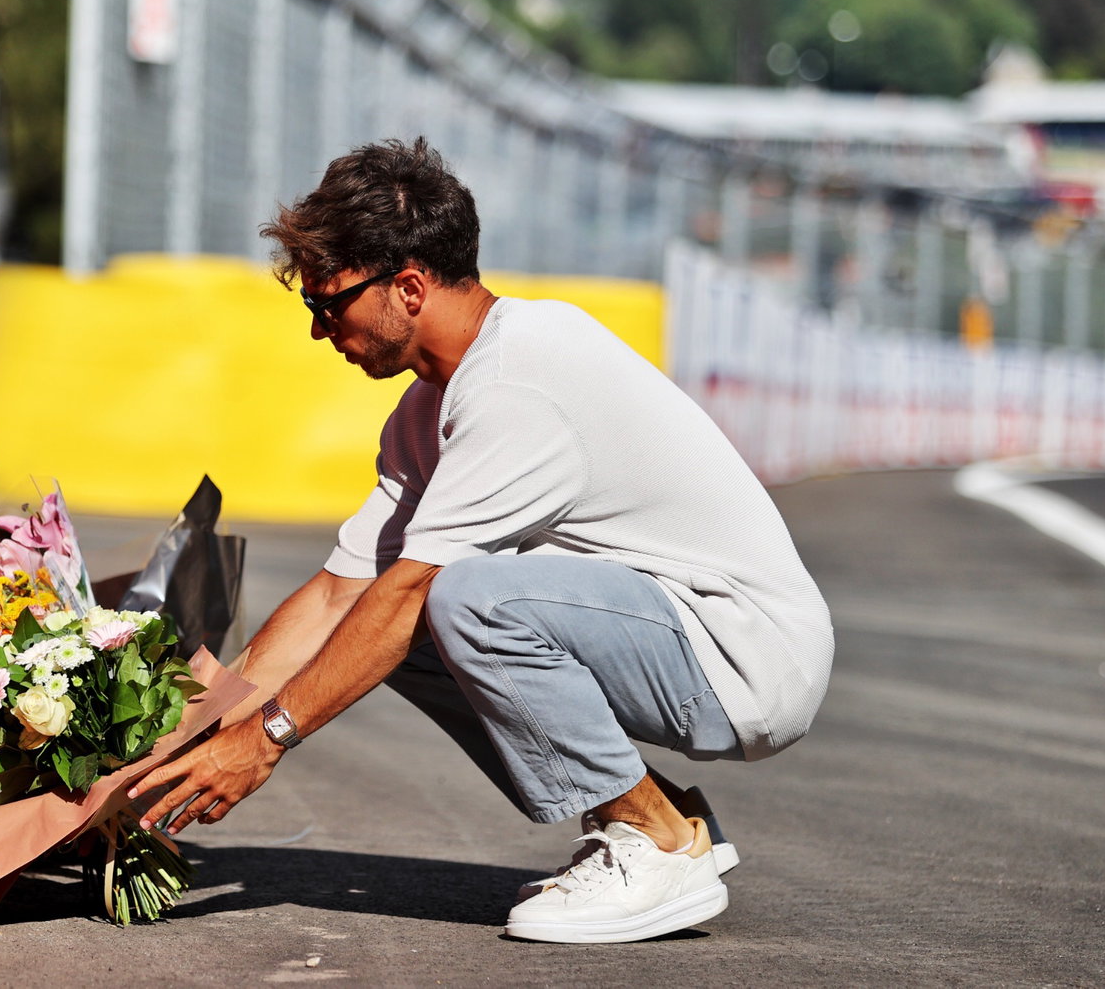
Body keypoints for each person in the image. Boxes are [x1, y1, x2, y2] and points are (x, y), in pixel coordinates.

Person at [133, 137, 833, 943]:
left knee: (457, 596)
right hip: (673, 632)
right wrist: (188, 735)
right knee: (402, 621)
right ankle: (663, 813)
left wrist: (266, 743)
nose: (321, 333)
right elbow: (338, 595)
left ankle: (657, 840)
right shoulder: (429, 411)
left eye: (329, 306)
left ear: (407, 287)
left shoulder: (516, 385)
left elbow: (403, 594)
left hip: (746, 658)